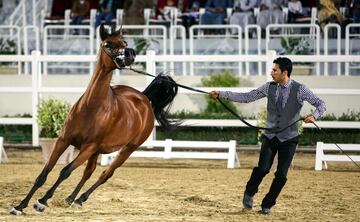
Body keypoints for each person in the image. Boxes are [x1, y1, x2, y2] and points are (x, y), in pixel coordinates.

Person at [209, 57, 326, 214]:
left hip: (289, 138)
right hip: (270, 135)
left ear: (284, 72)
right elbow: (247, 97)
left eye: (274, 70)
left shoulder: (300, 89)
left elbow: (321, 104)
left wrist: (314, 116)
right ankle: (250, 192)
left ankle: (267, 204)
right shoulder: (268, 87)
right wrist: (222, 94)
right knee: (263, 168)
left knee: (281, 175)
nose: (271, 73)